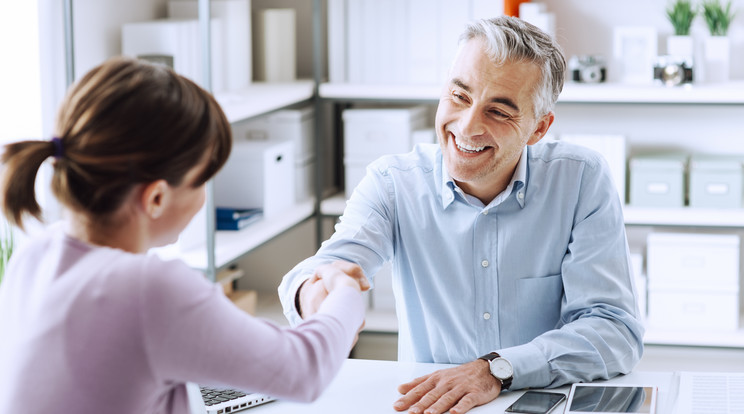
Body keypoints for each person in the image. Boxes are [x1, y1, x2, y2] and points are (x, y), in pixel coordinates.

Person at [278, 16, 644, 414]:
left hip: (541, 403)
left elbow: (615, 331)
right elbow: (328, 266)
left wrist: (497, 370)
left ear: (539, 128)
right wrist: (316, 294)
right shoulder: (394, 182)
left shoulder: (580, 179)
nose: (468, 127)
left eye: (499, 112)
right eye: (459, 96)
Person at [0, 57, 367, 414]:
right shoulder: (147, 288)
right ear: (156, 198)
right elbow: (304, 371)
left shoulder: (34, 255)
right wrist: (345, 292)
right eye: (202, 180)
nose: (206, 195)